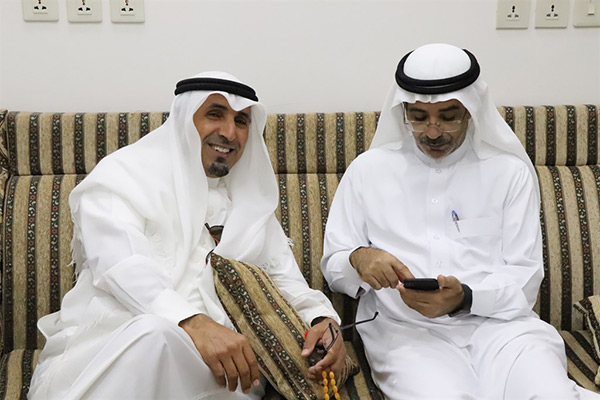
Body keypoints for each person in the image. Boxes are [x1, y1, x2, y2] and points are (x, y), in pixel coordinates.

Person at [28, 71, 346, 400]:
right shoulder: (123, 177)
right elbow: (120, 265)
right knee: (155, 336)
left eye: (241, 121)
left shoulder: (249, 203)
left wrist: (323, 320)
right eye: (215, 114)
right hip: (120, 344)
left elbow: (285, 279)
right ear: (184, 118)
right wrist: (191, 323)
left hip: (226, 374)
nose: (230, 133)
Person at [321, 43, 600, 399]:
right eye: (418, 117)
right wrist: (359, 258)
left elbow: (525, 276)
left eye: (448, 116)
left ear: (471, 109)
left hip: (504, 330)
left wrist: (465, 298)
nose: (432, 132)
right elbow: (334, 265)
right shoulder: (367, 171)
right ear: (402, 111)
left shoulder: (508, 172)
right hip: (407, 335)